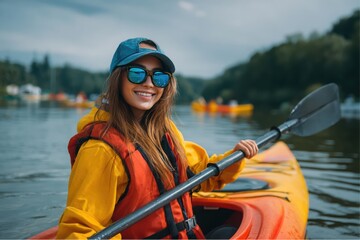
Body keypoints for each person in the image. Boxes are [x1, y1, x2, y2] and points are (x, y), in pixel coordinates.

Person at [56, 37, 258, 239]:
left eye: (159, 77)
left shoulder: (165, 131)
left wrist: (234, 157)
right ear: (117, 78)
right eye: (137, 73)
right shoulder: (100, 151)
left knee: (227, 232)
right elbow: (78, 230)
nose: (149, 83)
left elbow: (195, 177)